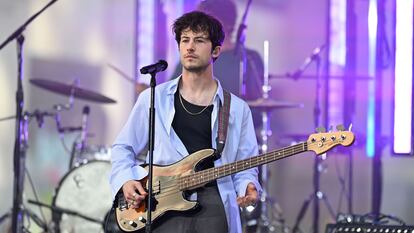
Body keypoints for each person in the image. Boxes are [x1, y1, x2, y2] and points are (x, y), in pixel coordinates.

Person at [110, 11, 261, 233]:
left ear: (216, 50)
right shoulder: (153, 98)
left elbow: (246, 165)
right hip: (162, 203)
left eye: (199, 40)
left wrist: (248, 186)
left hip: (214, 200)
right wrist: (126, 179)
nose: (190, 47)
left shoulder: (237, 109)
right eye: (185, 40)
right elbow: (123, 147)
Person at [171, 0, 264, 127]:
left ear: (227, 23)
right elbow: (170, 101)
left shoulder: (250, 58)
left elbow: (260, 112)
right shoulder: (190, 58)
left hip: (236, 138)